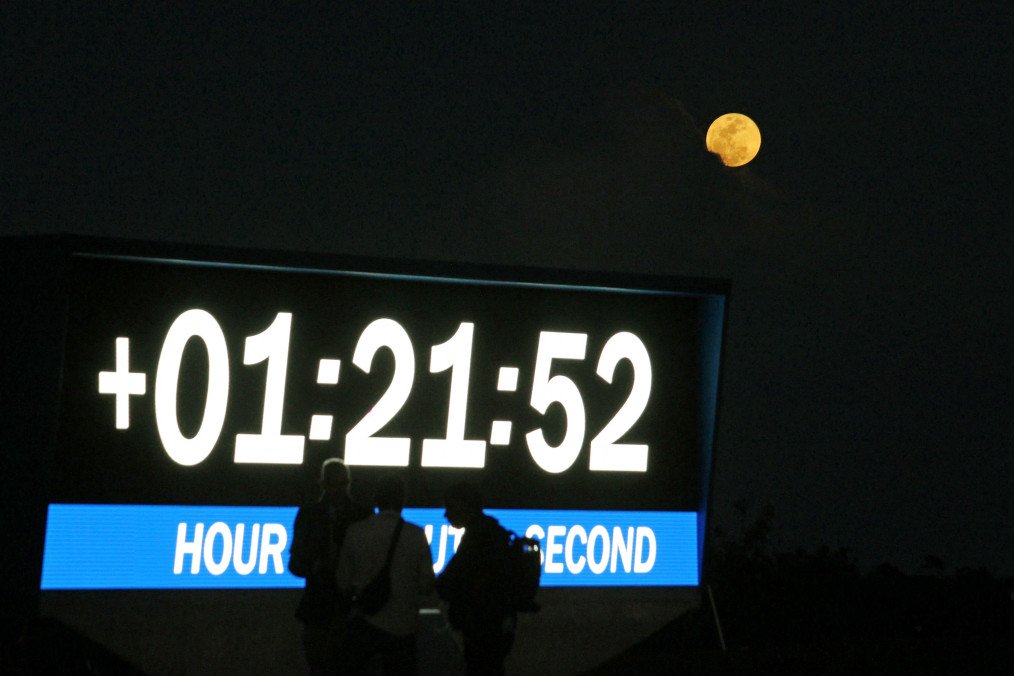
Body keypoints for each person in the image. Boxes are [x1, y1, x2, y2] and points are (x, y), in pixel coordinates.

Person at [336, 473, 435, 675]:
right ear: (403, 499)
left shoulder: (356, 531)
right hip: (403, 627)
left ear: (376, 499)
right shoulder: (416, 535)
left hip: (365, 625)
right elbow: (427, 584)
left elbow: (342, 582)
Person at [289, 458, 370, 675]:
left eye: (341, 485)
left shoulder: (311, 514)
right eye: (335, 485)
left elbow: (296, 563)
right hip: (338, 609)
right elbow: (295, 563)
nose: (338, 491)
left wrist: (316, 567)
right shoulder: (361, 516)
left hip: (335, 609)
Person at [435, 483, 516, 676]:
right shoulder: (492, 533)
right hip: (495, 626)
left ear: (462, 506)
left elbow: (451, 580)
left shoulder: (477, 538)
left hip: (482, 628)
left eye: (449, 508)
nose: (446, 515)